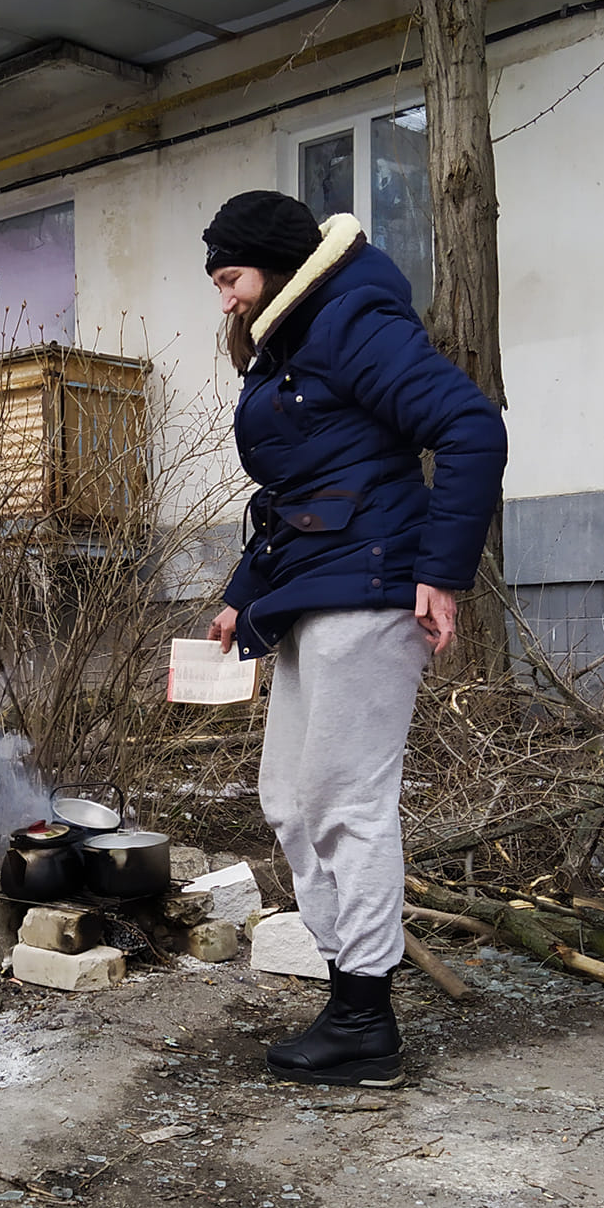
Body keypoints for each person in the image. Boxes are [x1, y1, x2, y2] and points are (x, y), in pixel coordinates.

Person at [203, 190, 506, 1088]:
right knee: (291, 804)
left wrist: (442, 572)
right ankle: (349, 989)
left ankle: (367, 1019)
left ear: (277, 264)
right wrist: (240, 594)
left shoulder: (351, 318)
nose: (224, 298)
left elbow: (470, 427)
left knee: (345, 802)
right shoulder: (298, 340)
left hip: (373, 593)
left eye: (231, 277)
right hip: (317, 590)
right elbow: (309, 488)